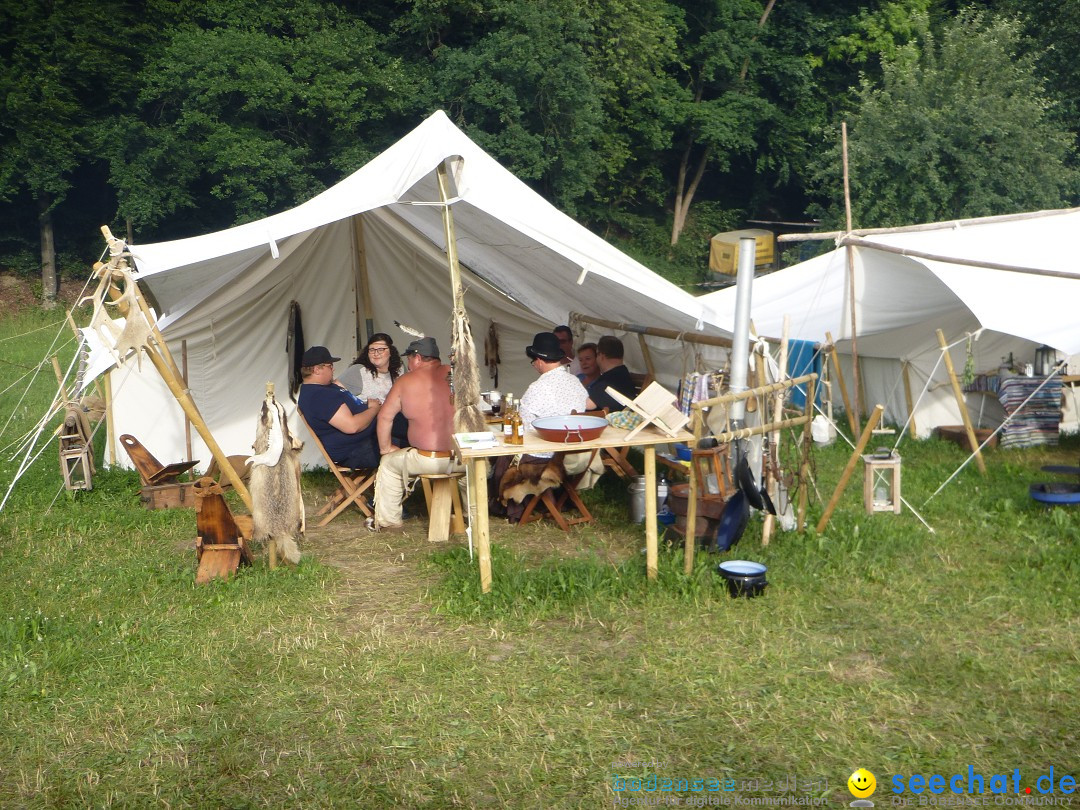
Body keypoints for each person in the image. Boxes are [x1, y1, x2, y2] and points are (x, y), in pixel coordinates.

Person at [492, 332, 601, 519]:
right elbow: (589, 406)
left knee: (504, 455)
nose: (534, 366)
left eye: (533, 361)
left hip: (548, 459)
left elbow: (522, 426)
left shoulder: (538, 388)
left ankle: (508, 506)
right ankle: (554, 500)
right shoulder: (575, 381)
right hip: (576, 454)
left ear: (540, 360)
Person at [372, 336, 463, 531]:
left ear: (418, 358)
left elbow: (384, 418)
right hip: (463, 458)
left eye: (409, 359)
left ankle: (389, 522)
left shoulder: (405, 382)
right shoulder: (457, 375)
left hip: (427, 459)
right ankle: (470, 513)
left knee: (388, 464)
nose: (408, 364)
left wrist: (385, 448)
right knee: (474, 470)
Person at [297, 346, 381, 469]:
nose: (333, 369)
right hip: (357, 450)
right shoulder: (318, 396)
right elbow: (352, 426)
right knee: (410, 436)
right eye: (330, 366)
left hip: (369, 438)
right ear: (316, 370)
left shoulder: (325, 388)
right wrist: (374, 410)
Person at [338, 333, 403, 402]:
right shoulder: (359, 370)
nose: (376, 353)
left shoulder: (399, 370)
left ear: (391, 352)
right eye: (372, 350)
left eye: (381, 349)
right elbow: (333, 392)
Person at [586, 335, 639, 412]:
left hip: (608, 421)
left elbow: (588, 404)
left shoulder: (607, 381)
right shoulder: (622, 374)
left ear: (601, 355)